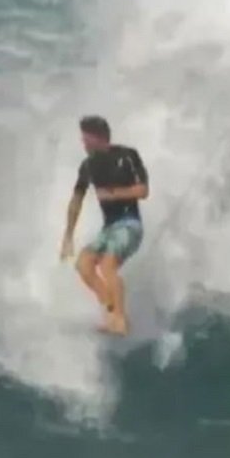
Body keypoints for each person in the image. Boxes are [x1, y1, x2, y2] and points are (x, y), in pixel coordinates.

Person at [59, 115, 149, 336]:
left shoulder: (127, 155)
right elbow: (76, 201)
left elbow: (143, 191)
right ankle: (111, 311)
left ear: (98, 138)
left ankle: (120, 319)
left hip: (130, 224)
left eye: (86, 139)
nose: (83, 143)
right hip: (108, 229)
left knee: (107, 266)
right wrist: (68, 236)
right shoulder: (87, 166)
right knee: (83, 264)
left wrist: (114, 194)